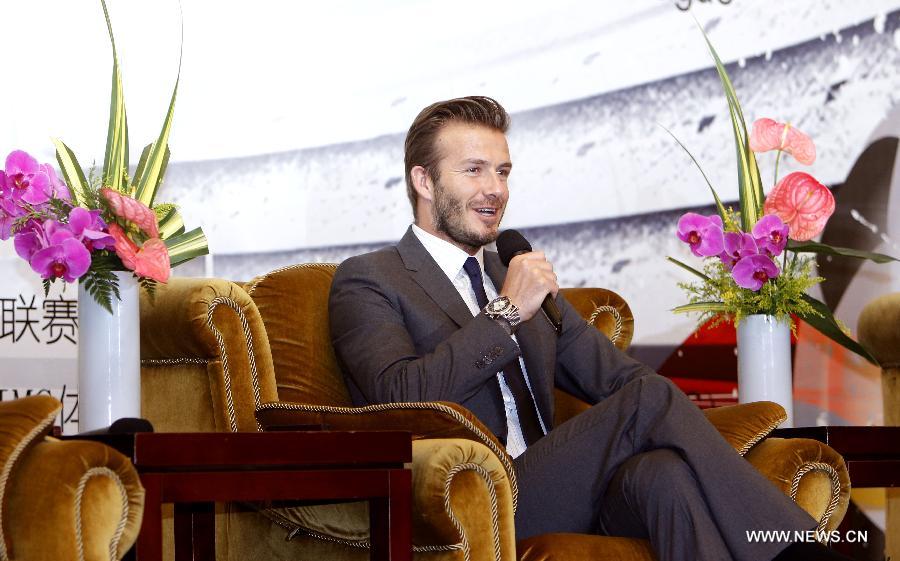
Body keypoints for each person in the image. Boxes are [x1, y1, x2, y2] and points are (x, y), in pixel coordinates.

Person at [328, 96, 853, 561]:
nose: (495, 189)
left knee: (665, 477)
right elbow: (396, 396)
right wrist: (507, 313)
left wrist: (699, 444)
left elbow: (621, 382)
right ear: (424, 180)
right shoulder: (372, 278)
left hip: (559, 484)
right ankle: (801, 554)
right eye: (474, 170)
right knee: (648, 401)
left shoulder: (510, 275)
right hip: (466, 498)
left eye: (504, 171)